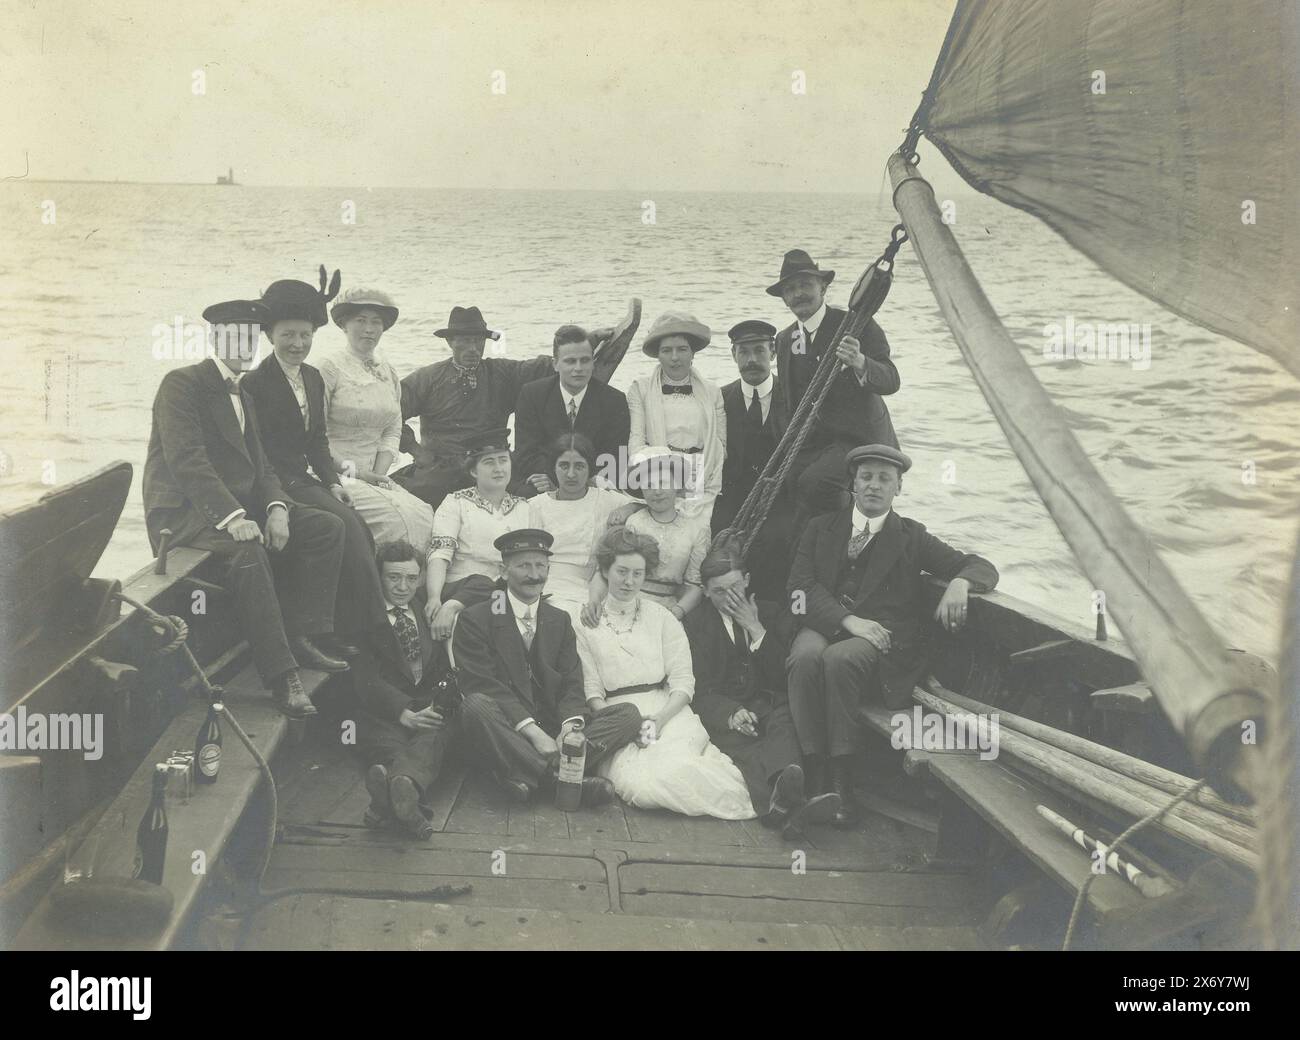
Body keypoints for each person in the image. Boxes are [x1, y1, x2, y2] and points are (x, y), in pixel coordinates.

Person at [142, 298, 346, 718]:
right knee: (249, 552)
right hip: (183, 514)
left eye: (250, 336)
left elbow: (263, 464)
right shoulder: (181, 384)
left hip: (236, 507)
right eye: (234, 336)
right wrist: (233, 517)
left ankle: (305, 635)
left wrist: (276, 507)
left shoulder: (243, 393)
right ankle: (282, 676)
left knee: (326, 527)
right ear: (215, 338)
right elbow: (188, 462)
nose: (245, 345)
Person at [786, 444, 998, 824]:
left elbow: (980, 565)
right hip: (830, 623)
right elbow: (799, 589)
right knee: (803, 657)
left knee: (840, 658)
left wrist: (960, 583)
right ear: (853, 484)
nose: (873, 486)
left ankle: (841, 783)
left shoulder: (911, 537)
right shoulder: (821, 528)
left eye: (885, 479)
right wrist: (847, 620)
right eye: (866, 477)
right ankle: (812, 769)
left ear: (898, 488)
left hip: (881, 644)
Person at [242, 273, 389, 650]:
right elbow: (256, 454)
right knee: (343, 529)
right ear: (269, 336)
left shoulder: (312, 377)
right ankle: (331, 632)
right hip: (274, 484)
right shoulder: (254, 385)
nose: (298, 344)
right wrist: (279, 497)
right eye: (288, 335)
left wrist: (334, 483)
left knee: (357, 525)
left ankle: (345, 628)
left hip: (305, 480)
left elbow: (317, 443)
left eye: (305, 335)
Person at [454, 529, 644, 807]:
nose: (534, 575)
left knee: (628, 714)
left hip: (554, 728)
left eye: (541, 566)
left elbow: (571, 681)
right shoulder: (478, 616)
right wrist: (533, 733)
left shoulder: (558, 619)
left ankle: (526, 772)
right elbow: (481, 683)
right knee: (475, 706)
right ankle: (556, 779)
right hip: (509, 728)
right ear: (503, 571)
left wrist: (569, 728)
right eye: (524, 566)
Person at [575, 528, 753, 819]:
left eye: (638, 573)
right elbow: (592, 690)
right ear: (606, 570)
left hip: (667, 711)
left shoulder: (662, 618)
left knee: (688, 764)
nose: (629, 581)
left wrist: (659, 720)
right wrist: (624, 723)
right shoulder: (586, 623)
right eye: (621, 571)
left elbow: (684, 681)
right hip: (616, 715)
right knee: (643, 789)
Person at [685, 545, 840, 837]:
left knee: (783, 722)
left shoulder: (769, 613)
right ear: (705, 591)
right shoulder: (694, 626)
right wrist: (731, 713)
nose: (730, 597)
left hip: (766, 702)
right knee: (746, 744)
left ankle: (783, 800)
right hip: (726, 709)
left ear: (746, 579)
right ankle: (791, 808)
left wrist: (756, 629)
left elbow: (783, 677)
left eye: (734, 587)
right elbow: (699, 689)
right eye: (719, 592)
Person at [767, 249, 901, 534]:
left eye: (805, 285)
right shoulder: (784, 339)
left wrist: (860, 362)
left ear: (823, 287)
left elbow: (891, 380)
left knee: (816, 482)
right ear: (784, 298)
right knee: (782, 481)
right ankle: (807, 549)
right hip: (816, 443)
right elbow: (792, 404)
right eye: (790, 289)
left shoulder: (855, 325)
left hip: (862, 440)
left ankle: (842, 537)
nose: (798, 294)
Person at [394, 306, 555, 509]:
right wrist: (417, 452)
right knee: (405, 504)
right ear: (450, 341)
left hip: (493, 463)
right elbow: (389, 412)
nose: (473, 348)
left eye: (478, 341)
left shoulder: (502, 373)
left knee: (534, 496)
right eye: (464, 341)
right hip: (441, 468)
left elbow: (548, 366)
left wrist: (590, 341)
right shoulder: (427, 378)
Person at [317, 287, 434, 552]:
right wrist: (358, 474)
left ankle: (406, 590)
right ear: (344, 324)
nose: (369, 329)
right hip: (333, 474)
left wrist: (378, 475)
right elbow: (315, 436)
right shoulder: (328, 368)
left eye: (376, 322)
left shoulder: (387, 371)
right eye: (360, 320)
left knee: (423, 515)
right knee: (396, 521)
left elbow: (393, 428)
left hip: (374, 475)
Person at [354, 540, 455, 841]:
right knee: (392, 746)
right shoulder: (363, 616)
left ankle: (386, 797)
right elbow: (363, 678)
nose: (402, 587)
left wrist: (449, 604)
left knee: (431, 737)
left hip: (427, 705)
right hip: (382, 710)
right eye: (393, 577)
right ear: (378, 576)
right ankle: (410, 807)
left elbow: (482, 584)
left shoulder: (425, 602)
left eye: (411, 578)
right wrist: (402, 712)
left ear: (422, 578)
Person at [711, 319, 794, 600]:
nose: (752, 360)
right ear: (733, 355)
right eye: (744, 352)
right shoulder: (719, 400)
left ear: (772, 353)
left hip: (783, 502)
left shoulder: (795, 395)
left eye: (759, 351)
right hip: (734, 503)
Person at [424, 427, 530, 640]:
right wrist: (434, 597)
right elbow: (439, 555)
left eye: (503, 460)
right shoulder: (456, 503)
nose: (498, 468)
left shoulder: (525, 508)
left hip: (507, 593)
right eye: (489, 462)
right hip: (463, 591)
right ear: (473, 471)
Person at [526, 431, 639, 619]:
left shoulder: (605, 500)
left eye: (579, 466)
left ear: (590, 469)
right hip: (545, 588)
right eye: (564, 465)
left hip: (592, 588)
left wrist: (630, 508)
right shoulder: (536, 505)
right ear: (553, 468)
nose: (571, 474)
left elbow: (648, 505)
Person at [625, 311, 726, 519]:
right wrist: (673, 467)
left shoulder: (712, 391)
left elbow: (720, 446)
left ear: (693, 352)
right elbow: (635, 449)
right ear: (657, 354)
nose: (674, 357)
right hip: (657, 478)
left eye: (682, 349)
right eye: (666, 350)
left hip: (704, 479)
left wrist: (694, 475)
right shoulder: (640, 389)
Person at [511, 325, 631, 497]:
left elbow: (614, 458)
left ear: (593, 362)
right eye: (570, 361)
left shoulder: (614, 401)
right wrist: (555, 479)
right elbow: (526, 452)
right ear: (555, 364)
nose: (578, 368)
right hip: (544, 477)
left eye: (585, 360)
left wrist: (577, 482)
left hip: (593, 482)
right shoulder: (532, 394)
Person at [604, 451, 709, 621]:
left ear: (677, 486)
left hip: (670, 610)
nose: (657, 491)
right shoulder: (634, 522)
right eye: (649, 485)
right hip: (629, 602)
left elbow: (695, 585)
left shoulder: (696, 529)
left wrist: (676, 613)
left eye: (663, 483)